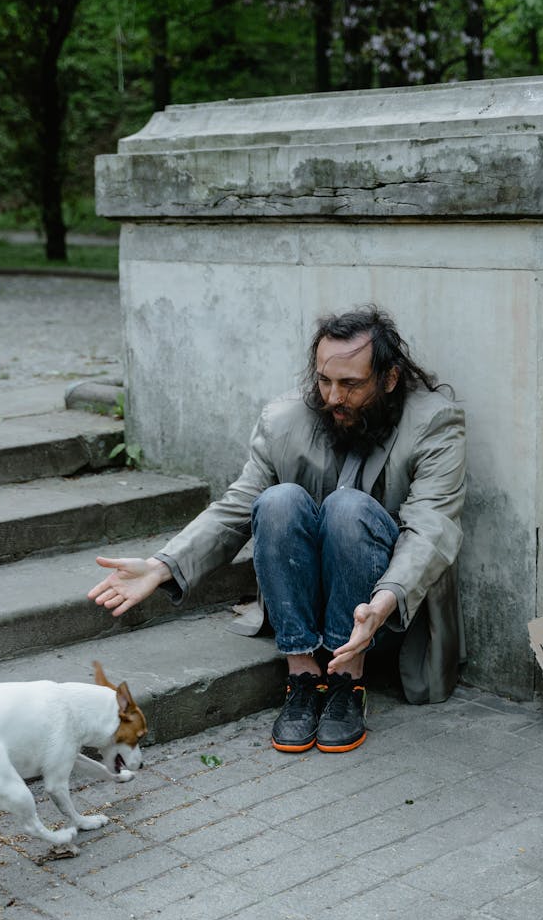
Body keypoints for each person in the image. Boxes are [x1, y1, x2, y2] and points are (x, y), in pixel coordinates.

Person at [88, 304, 466, 754]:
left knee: (347, 508)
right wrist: (161, 566)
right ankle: (302, 675)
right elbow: (235, 508)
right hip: (301, 608)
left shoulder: (435, 422)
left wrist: (381, 605)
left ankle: (349, 681)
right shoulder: (285, 419)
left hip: (384, 611)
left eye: (351, 385)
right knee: (276, 499)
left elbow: (430, 529)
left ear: (389, 379)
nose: (333, 398)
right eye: (325, 380)